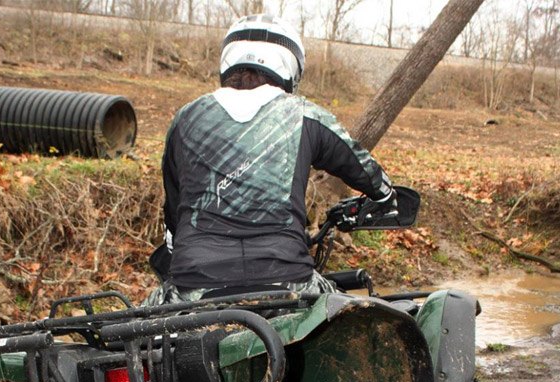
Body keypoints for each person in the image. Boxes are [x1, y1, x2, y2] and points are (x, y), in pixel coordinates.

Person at [145, 14, 395, 305]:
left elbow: (175, 211)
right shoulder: (304, 114)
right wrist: (385, 196)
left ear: (228, 61)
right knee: (351, 315)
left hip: (195, 285)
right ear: (290, 65)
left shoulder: (187, 117)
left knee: (141, 332)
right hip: (288, 282)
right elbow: (367, 172)